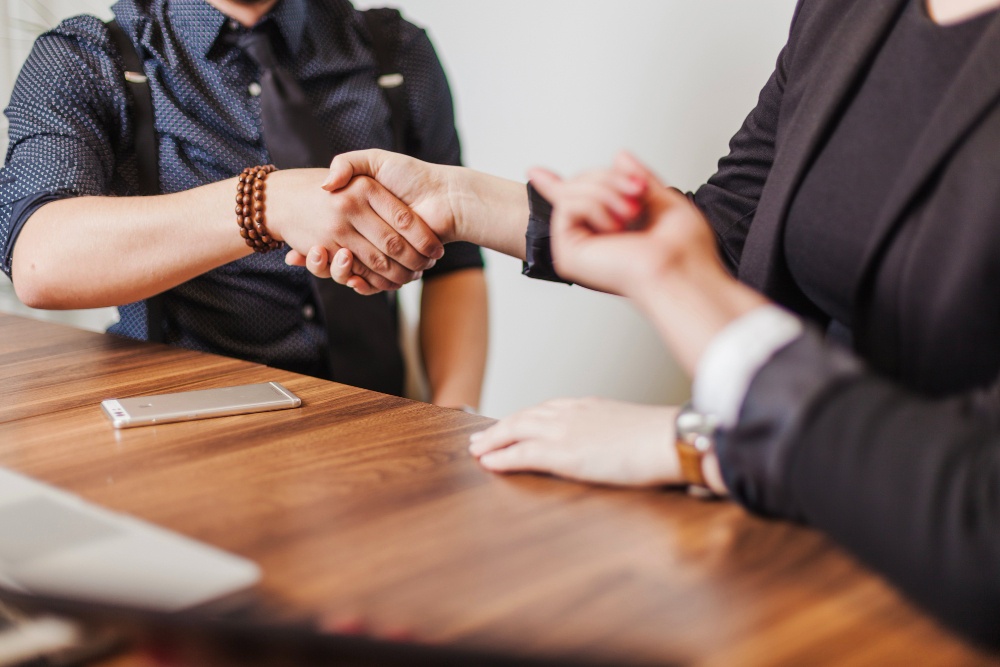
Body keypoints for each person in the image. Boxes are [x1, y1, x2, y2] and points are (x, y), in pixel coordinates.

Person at [288, 0, 1000, 647]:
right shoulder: (844, 11)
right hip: (793, 556)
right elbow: (733, 230)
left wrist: (699, 443)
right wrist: (459, 200)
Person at [0, 0, 487, 409]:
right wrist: (264, 203)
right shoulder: (88, 58)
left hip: (378, 419)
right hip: (184, 426)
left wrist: (454, 419)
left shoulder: (395, 53)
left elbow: (456, 262)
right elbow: (39, 258)